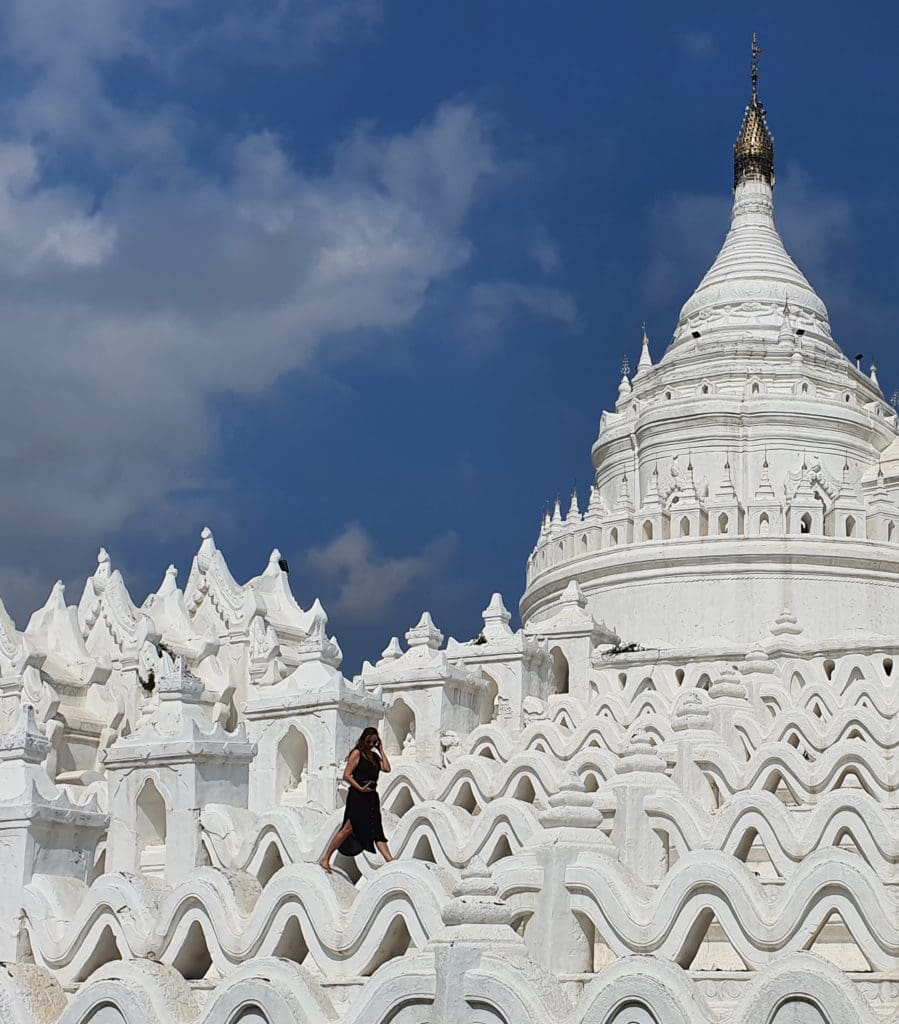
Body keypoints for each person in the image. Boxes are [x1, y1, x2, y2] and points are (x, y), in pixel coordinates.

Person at [319, 727, 394, 873]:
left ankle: (390, 860)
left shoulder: (375, 756)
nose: (371, 744)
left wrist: (381, 750)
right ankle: (326, 858)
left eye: (375, 741)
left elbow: (387, 768)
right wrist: (359, 788)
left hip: (372, 796)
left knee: (377, 828)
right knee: (348, 828)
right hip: (358, 796)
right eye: (369, 741)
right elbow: (347, 775)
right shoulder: (357, 753)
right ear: (363, 739)